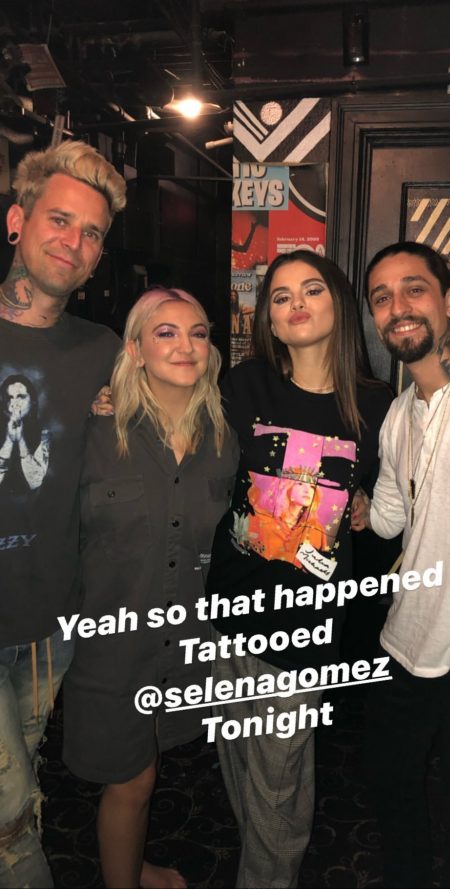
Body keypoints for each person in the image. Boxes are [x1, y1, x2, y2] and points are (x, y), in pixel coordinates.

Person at [206, 249, 392, 888]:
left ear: (338, 301)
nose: (296, 305)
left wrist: (364, 504)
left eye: (311, 289)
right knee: (237, 758)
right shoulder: (243, 385)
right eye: (281, 297)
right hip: (230, 604)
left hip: (303, 624)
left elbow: (392, 497)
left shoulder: (377, 403)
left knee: (279, 779)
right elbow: (182, 437)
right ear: (269, 318)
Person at [62, 287, 239, 889]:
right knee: (131, 778)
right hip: (113, 645)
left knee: (146, 768)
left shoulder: (224, 438)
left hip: (185, 642)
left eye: (198, 332)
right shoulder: (95, 427)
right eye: (166, 332)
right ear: (135, 349)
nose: (185, 346)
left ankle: (132, 867)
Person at [353, 240, 450, 888]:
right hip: (405, 642)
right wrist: (356, 508)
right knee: (391, 792)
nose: (398, 308)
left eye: (414, 289)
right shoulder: (398, 413)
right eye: (382, 298)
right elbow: (392, 516)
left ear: (449, 299)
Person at [0, 139, 126, 888]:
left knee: (22, 779)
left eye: (92, 232)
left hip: (51, 626)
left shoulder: (103, 350)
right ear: (17, 221)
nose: (73, 241)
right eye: (59, 219)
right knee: (11, 815)